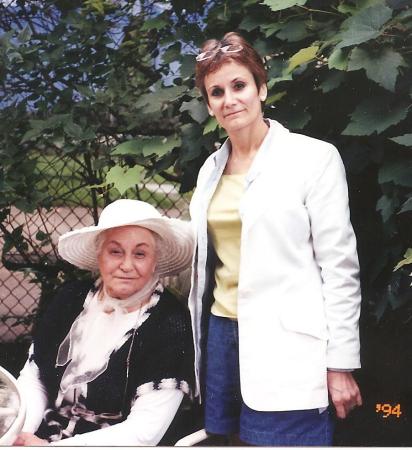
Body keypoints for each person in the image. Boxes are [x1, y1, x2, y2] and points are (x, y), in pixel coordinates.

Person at [188, 31, 363, 446]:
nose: (229, 99)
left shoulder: (313, 159)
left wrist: (340, 364)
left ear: (261, 87)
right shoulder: (210, 170)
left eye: (239, 85)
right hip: (221, 338)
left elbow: (338, 267)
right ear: (210, 105)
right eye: (216, 92)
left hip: (288, 345)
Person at [14, 199, 195, 446]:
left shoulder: (170, 324)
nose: (126, 265)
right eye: (115, 251)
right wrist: (21, 432)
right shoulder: (71, 298)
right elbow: (35, 378)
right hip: (45, 435)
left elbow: (144, 433)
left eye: (140, 254)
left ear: (156, 262)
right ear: (99, 255)